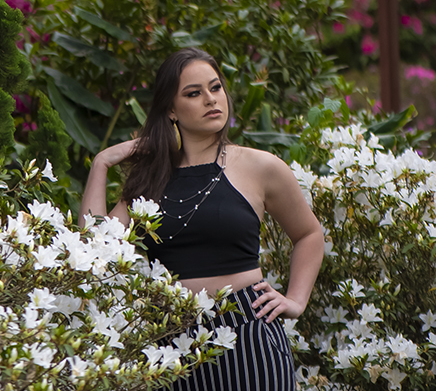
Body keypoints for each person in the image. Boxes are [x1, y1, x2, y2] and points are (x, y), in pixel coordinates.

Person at [78, 47, 324, 390]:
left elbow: (309, 234)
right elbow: (92, 249)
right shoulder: (150, 181)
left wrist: (296, 301)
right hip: (171, 339)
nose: (211, 99)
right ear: (172, 110)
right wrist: (101, 163)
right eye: (194, 93)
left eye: (215, 87)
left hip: (248, 334)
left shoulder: (259, 166)